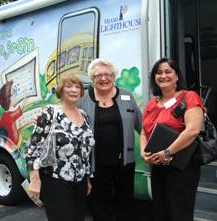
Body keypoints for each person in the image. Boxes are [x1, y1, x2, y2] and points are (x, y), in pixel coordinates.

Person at [140, 58, 204, 221]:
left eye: (168, 71)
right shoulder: (152, 103)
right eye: (159, 72)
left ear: (176, 76)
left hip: (181, 166)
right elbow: (143, 131)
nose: (163, 76)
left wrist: (167, 152)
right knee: (160, 213)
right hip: (158, 165)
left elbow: (193, 130)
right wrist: (143, 151)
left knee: (179, 214)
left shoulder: (189, 97)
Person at [78, 58, 142, 221]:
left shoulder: (127, 96)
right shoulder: (82, 101)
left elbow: (142, 127)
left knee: (125, 205)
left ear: (114, 77)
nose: (103, 78)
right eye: (98, 75)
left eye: (107, 74)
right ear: (92, 78)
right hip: (96, 165)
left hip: (124, 164)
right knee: (100, 208)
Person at [26, 73, 94, 221]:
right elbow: (33, 146)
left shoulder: (84, 115)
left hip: (80, 181)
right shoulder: (50, 113)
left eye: (77, 87)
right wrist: (35, 179)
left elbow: (85, 152)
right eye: (69, 86)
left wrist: (87, 178)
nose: (74, 90)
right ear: (61, 90)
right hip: (56, 180)